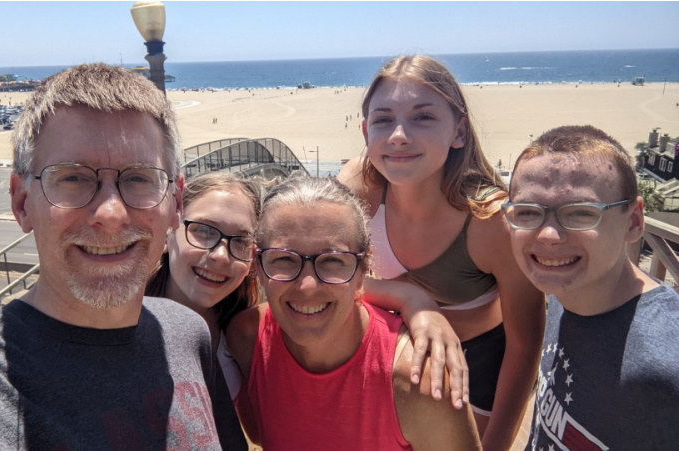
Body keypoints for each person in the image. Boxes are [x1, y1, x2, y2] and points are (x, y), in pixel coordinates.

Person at [0, 63, 246, 450]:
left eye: (139, 178)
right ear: (22, 203)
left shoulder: (188, 335)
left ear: (174, 202)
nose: (111, 214)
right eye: (73, 177)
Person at [339, 55, 545, 449]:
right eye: (383, 119)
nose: (399, 135)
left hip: (475, 365)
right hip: (387, 353)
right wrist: (410, 297)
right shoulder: (359, 188)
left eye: (422, 117)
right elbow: (323, 274)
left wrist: (498, 444)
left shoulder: (491, 222)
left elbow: (524, 346)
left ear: (459, 132)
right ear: (366, 132)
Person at [227, 176, 481, 451]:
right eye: (284, 259)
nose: (308, 286)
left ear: (363, 270)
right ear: (258, 265)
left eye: (333, 260)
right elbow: (259, 434)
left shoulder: (417, 380)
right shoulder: (245, 340)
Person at [505, 125, 679, 450]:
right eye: (528, 212)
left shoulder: (667, 364)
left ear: (634, 221)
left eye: (581, 213)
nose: (548, 236)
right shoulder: (567, 292)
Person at [145, 171, 262, 402]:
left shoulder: (244, 337)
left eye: (240, 241)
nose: (220, 255)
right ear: (169, 232)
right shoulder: (113, 321)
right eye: (203, 231)